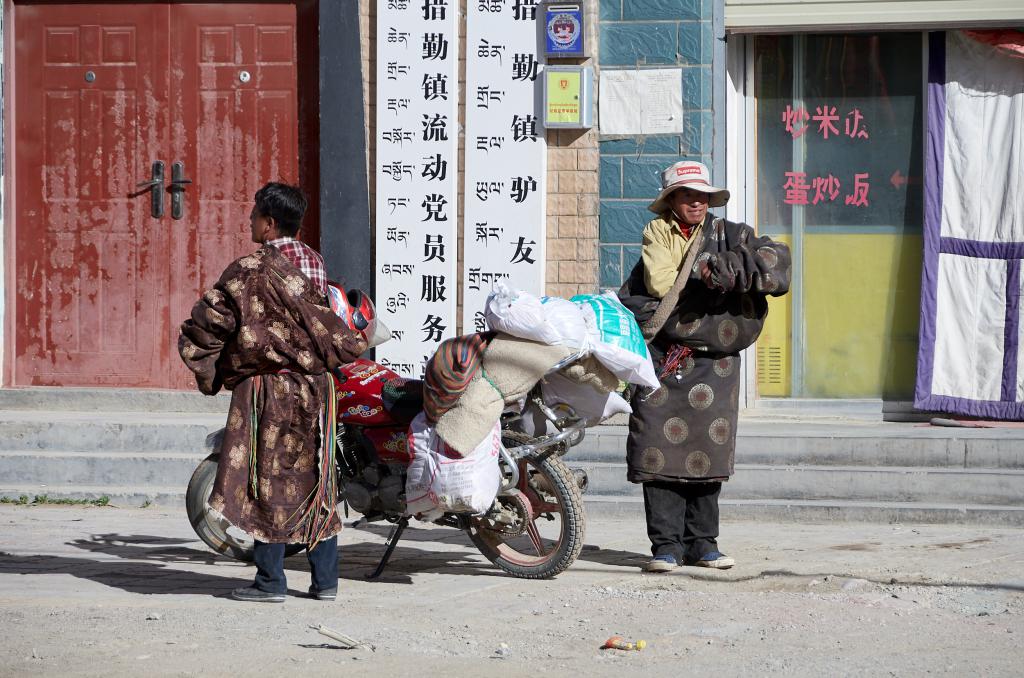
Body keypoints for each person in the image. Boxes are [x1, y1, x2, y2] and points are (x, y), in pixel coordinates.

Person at [178, 182, 368, 602]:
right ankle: (325, 582)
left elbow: (209, 324)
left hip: (269, 391)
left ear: (268, 223)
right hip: (317, 389)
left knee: (268, 480)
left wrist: (209, 363)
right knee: (317, 478)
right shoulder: (313, 263)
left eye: (252, 216)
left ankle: (270, 582)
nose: (249, 222)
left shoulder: (249, 269)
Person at [618, 160, 791, 573]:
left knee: (706, 452)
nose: (695, 202)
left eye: (701, 195)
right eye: (685, 194)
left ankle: (703, 544)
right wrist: (701, 275)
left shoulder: (730, 235)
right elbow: (654, 290)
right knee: (657, 452)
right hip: (665, 361)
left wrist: (728, 270)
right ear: (672, 201)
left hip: (715, 368)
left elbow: (776, 261)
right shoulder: (656, 236)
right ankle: (665, 546)